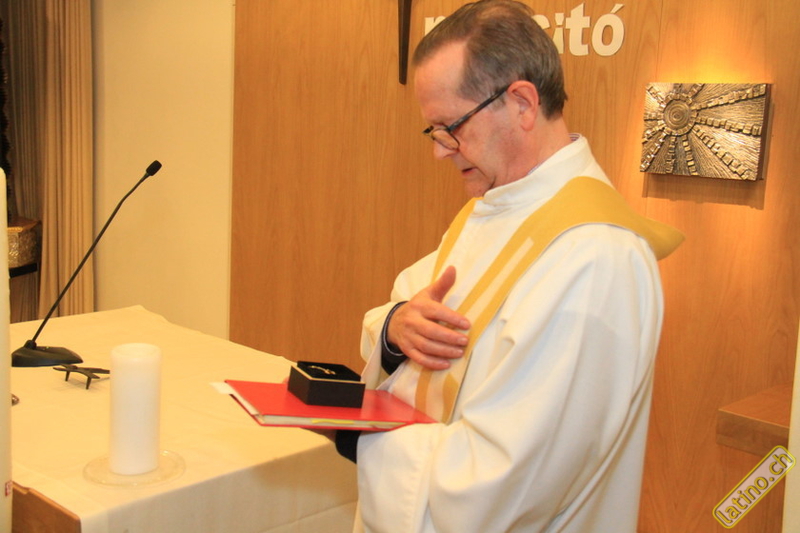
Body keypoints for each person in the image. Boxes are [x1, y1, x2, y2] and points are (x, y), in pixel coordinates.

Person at [333, 1, 683, 531]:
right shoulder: (497, 206)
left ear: (521, 103)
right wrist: (395, 327)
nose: (441, 151)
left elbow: (507, 482)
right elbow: (411, 303)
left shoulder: (594, 257)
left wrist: (359, 437)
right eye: (433, 131)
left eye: (450, 126)